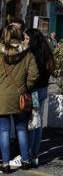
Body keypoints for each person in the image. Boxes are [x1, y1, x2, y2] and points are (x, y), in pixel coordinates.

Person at [0, 24, 38, 172]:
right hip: (21, 97)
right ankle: (26, 160)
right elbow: (34, 74)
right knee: (21, 128)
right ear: (19, 35)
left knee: (3, 131)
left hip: (1, 97)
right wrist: (24, 87)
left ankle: (5, 163)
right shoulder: (27, 53)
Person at [23, 28, 55, 168]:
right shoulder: (46, 52)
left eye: (26, 38)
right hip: (43, 90)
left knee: (33, 124)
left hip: (35, 91)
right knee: (38, 123)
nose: (24, 41)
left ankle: (30, 154)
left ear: (33, 40)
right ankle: (34, 154)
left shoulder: (33, 54)